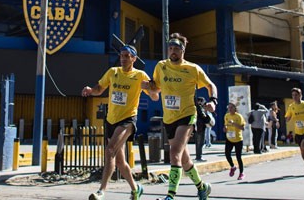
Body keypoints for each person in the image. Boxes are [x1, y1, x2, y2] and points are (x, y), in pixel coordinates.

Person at [148, 33, 217, 200]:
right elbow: (155, 88)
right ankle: (202, 187)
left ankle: (170, 196)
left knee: (174, 153)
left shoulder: (192, 69)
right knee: (184, 160)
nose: (173, 52)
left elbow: (210, 85)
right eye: (170, 48)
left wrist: (213, 101)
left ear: (183, 51)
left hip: (187, 115)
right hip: (169, 118)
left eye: (177, 49)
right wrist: (147, 88)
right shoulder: (160, 66)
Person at [82, 45, 154, 200]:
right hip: (111, 120)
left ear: (134, 58)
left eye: (127, 56)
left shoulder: (140, 75)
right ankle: (136, 189)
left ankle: (101, 191)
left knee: (110, 150)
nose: (123, 58)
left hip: (128, 120)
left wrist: (151, 88)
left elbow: (154, 96)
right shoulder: (113, 72)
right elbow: (99, 89)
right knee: (120, 161)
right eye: (122, 55)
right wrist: (90, 90)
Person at [224, 102, 246, 180]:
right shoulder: (226, 116)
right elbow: (225, 125)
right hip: (229, 138)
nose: (229, 109)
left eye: (231, 108)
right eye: (228, 108)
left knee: (238, 157)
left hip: (238, 139)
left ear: (235, 108)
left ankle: (241, 173)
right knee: (227, 154)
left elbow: (242, 128)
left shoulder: (239, 116)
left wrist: (234, 124)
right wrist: (225, 129)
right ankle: (233, 167)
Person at [194, 97, 211, 162]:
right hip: (199, 126)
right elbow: (203, 116)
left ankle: (199, 156)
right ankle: (199, 156)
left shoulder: (198, 107)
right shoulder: (199, 108)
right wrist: (207, 117)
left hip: (199, 126)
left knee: (200, 141)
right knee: (200, 142)